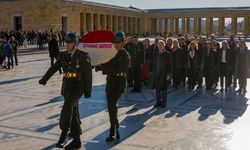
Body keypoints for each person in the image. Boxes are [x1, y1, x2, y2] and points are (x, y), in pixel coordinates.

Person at [39, 32, 92, 149]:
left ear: (76, 43)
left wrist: (88, 90)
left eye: (70, 43)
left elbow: (88, 75)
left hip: (78, 86)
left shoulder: (83, 55)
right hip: (67, 85)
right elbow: (54, 67)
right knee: (73, 110)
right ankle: (77, 139)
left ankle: (64, 133)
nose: (67, 45)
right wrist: (44, 78)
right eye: (67, 42)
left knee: (67, 106)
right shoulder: (63, 55)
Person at [95, 31, 129, 142]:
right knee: (111, 107)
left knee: (113, 106)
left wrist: (104, 68)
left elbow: (119, 69)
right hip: (110, 82)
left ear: (123, 42)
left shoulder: (125, 55)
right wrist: (97, 64)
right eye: (115, 42)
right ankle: (115, 130)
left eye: (119, 42)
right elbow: (105, 64)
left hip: (120, 83)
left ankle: (113, 132)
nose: (117, 44)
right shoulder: (111, 54)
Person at [153, 40, 172, 108]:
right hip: (157, 74)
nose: (160, 46)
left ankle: (164, 103)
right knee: (157, 89)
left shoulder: (168, 54)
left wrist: (169, 75)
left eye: (161, 45)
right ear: (157, 46)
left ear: (164, 45)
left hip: (164, 74)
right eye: (159, 45)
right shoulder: (156, 53)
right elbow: (154, 64)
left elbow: (170, 65)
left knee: (164, 89)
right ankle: (158, 102)